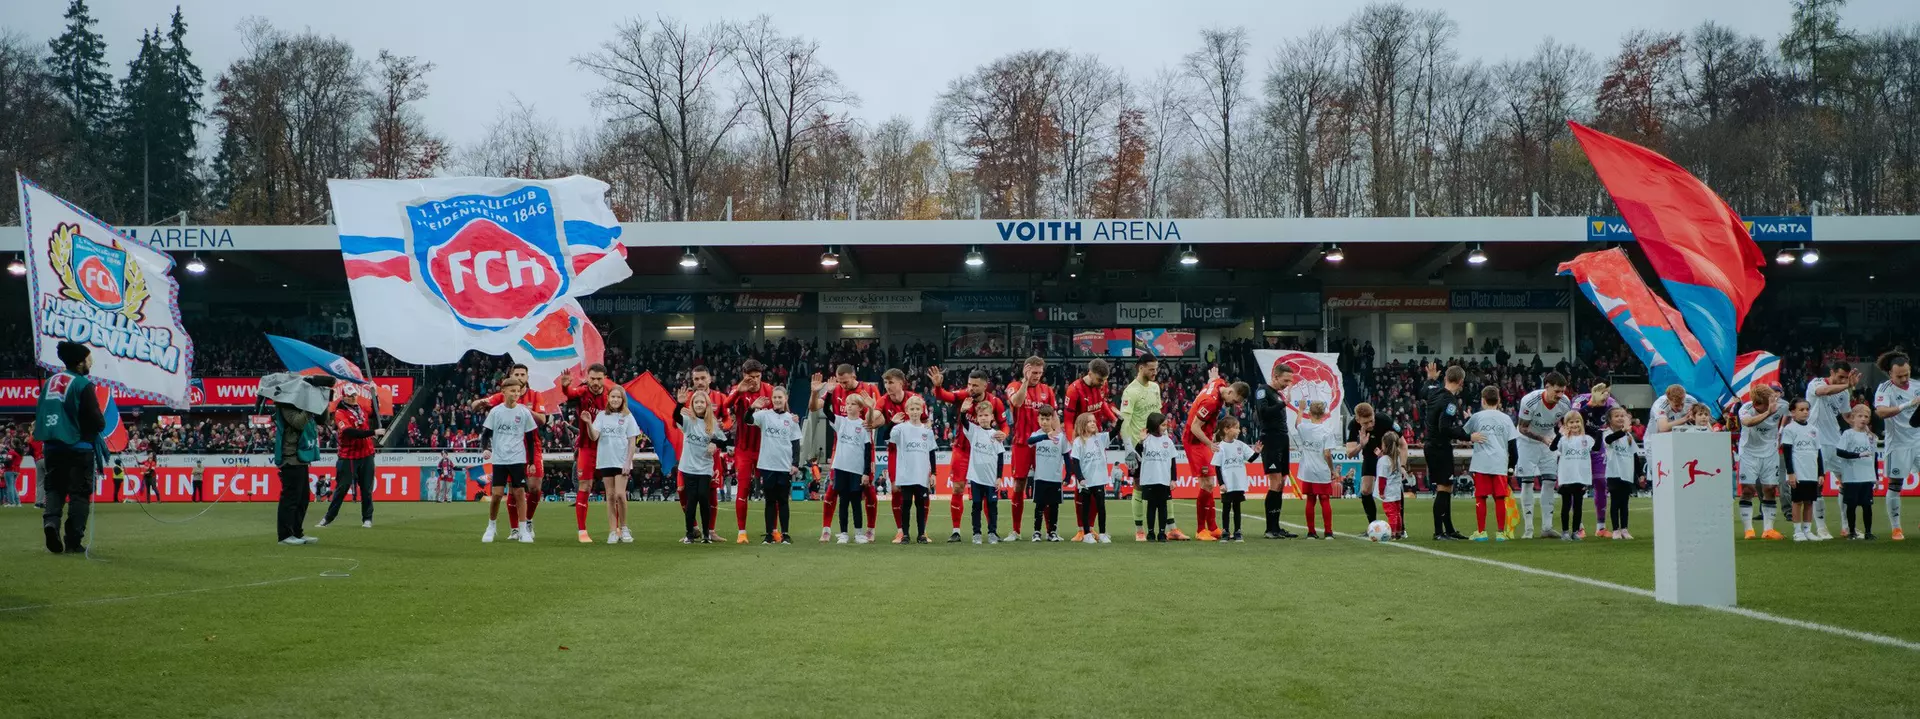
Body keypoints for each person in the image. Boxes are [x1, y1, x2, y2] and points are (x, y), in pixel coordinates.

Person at [35, 341, 106, 554]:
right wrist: (99, 426)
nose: (90, 363)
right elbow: (95, 419)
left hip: (52, 447)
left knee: (55, 489)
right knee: (79, 494)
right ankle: (73, 540)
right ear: (79, 362)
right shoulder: (82, 384)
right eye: (88, 359)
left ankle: (51, 524)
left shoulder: (49, 382)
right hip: (78, 445)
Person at [927, 366, 1007, 542]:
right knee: (958, 488)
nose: (971, 388)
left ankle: (991, 531)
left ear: (985, 386)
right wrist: (938, 386)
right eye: (969, 384)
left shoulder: (995, 402)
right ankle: (956, 531)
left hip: (985, 453)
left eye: (975, 386)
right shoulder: (964, 396)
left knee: (988, 490)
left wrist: (1005, 434)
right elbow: (943, 396)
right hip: (962, 450)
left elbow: (1004, 424)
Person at [471, 364, 549, 540]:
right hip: (504, 452)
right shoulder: (502, 397)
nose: (520, 377)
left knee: (535, 488)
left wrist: (524, 410)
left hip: (530, 447)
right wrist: (480, 403)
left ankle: (527, 521)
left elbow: (543, 420)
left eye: (523, 374)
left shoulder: (535, 396)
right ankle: (515, 529)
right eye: (517, 374)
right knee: (510, 492)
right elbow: (476, 407)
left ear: (527, 377)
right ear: (510, 377)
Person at [258, 372, 334, 546]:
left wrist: (323, 400)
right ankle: (284, 535)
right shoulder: (285, 405)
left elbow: (324, 420)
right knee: (290, 498)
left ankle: (297, 533)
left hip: (301, 457)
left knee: (303, 498)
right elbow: (298, 422)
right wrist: (311, 403)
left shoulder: (302, 404)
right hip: (289, 457)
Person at [816, 364, 880, 543]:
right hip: (841, 457)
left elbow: (877, 418)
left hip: (863, 456)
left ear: (854, 375)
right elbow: (818, 408)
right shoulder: (837, 400)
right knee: (834, 492)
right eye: (839, 382)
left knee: (866, 492)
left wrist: (873, 409)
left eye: (845, 381)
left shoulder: (870, 390)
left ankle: (867, 530)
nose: (842, 385)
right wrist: (821, 392)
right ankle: (830, 530)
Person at [1185, 369, 1249, 541]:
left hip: (1204, 440)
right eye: (1234, 400)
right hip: (1195, 441)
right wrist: (1210, 443)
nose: (1233, 404)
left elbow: (1213, 380)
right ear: (1230, 391)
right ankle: (1200, 530)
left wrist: (1212, 376)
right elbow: (1194, 427)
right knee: (1206, 484)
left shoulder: (1219, 383)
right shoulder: (1211, 402)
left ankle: (1212, 527)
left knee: (1211, 483)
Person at [1063, 359, 1119, 541]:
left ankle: (1091, 527)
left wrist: (1112, 419)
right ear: (1089, 373)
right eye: (1099, 379)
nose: (1102, 383)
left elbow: (1102, 404)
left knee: (1097, 484)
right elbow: (1069, 419)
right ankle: (1081, 528)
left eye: (1104, 380)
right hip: (1081, 441)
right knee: (1083, 486)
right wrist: (1074, 441)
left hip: (1096, 439)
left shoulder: (1100, 387)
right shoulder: (1074, 390)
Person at [724, 360, 778, 544]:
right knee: (743, 488)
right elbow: (724, 406)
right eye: (750, 377)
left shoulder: (770, 391)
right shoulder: (738, 390)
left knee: (771, 490)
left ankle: (774, 530)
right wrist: (738, 391)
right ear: (744, 376)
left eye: (757, 376)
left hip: (766, 448)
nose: (754, 380)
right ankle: (742, 532)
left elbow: (782, 411)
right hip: (744, 449)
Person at [560, 365, 615, 544]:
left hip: (608, 447)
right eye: (593, 379)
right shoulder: (583, 392)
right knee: (585, 487)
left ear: (605, 378)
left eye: (599, 379)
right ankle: (582, 531)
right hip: (587, 447)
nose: (596, 382)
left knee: (615, 491)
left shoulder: (612, 395)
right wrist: (565, 387)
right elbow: (570, 394)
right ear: (588, 378)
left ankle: (618, 529)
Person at [1005, 356, 1057, 543]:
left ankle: (1050, 530)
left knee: (1046, 484)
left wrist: (1057, 436)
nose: (1037, 376)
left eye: (1039, 373)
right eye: (1033, 373)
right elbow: (1017, 402)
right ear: (1026, 370)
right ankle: (1016, 531)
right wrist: (1025, 382)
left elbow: (1054, 416)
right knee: (1019, 485)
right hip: (1022, 443)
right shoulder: (1013, 386)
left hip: (1043, 444)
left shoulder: (1047, 391)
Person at [1515, 372, 1571, 539]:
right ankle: (1529, 529)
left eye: (1563, 391)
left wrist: (1561, 434)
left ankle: (1547, 527)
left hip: (1549, 440)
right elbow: (1522, 428)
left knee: (1549, 481)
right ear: (1547, 386)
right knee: (1527, 482)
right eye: (1557, 391)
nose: (1560, 395)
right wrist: (1542, 438)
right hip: (1527, 442)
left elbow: (1565, 422)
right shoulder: (1530, 401)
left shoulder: (1565, 403)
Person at [318, 386, 382, 529]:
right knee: (342, 488)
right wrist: (373, 432)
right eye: (350, 396)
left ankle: (367, 518)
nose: (354, 398)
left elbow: (374, 411)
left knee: (366, 489)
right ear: (344, 397)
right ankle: (328, 518)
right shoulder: (339, 413)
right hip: (348, 456)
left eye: (355, 395)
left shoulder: (361, 408)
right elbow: (349, 432)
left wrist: (375, 395)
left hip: (366, 453)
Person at [1421, 364, 1472, 540]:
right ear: (1460, 382)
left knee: (1448, 487)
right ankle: (1438, 532)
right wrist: (1468, 436)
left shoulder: (1434, 392)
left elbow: (1424, 391)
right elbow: (1445, 427)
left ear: (1445, 379)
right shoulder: (1449, 401)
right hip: (1439, 447)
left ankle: (1449, 530)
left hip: (1433, 445)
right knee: (1443, 488)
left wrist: (1430, 379)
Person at [1871, 351, 1917, 541]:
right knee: (1896, 485)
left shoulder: (1917, 385)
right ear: (1890, 373)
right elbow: (1881, 412)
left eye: (1907, 374)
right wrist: (1907, 405)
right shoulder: (1884, 389)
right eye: (1900, 376)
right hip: (1898, 444)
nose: (1905, 379)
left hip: (1919, 440)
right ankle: (1896, 528)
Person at [1806, 364, 1856, 538]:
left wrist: (1862, 424)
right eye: (1840, 376)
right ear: (1832, 372)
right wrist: (1847, 385)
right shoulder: (1816, 383)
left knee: (1847, 482)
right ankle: (1821, 527)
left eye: (1846, 378)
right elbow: (1823, 392)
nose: (1843, 380)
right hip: (1815, 442)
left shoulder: (1844, 392)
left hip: (1836, 441)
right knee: (1817, 484)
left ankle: (1846, 526)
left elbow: (1847, 416)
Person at [751, 386, 805, 544]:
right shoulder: (764, 415)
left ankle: (785, 534)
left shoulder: (791, 419)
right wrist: (752, 407)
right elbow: (748, 420)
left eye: (780, 397)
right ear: (771, 399)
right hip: (767, 465)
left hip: (784, 466)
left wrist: (795, 463)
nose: (777, 400)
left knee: (783, 501)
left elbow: (795, 443)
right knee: (769, 501)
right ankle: (769, 534)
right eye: (775, 397)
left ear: (786, 399)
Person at [1120, 355, 1165, 541]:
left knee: (1163, 485)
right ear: (1140, 368)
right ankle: (1139, 529)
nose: (1155, 373)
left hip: (1157, 443)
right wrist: (1128, 448)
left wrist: (1165, 438)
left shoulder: (1155, 388)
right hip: (1139, 446)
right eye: (1151, 369)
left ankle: (1169, 527)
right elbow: (1124, 421)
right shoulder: (1131, 391)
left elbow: (1160, 416)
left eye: (1156, 369)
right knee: (1138, 485)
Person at [587, 389, 641, 544]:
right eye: (613, 396)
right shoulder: (602, 416)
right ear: (608, 398)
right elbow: (594, 436)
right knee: (610, 496)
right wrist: (589, 423)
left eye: (618, 397)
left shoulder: (628, 417)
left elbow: (632, 442)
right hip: (606, 460)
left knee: (619, 494)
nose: (615, 399)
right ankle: (612, 531)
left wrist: (628, 462)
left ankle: (624, 528)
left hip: (621, 461)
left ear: (623, 399)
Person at [875, 368, 922, 544]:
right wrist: (878, 418)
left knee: (920, 489)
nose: (887, 386)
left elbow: (927, 422)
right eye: (885, 383)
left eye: (891, 382)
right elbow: (875, 418)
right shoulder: (883, 400)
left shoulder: (914, 399)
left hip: (915, 451)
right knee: (895, 489)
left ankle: (922, 531)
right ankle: (901, 530)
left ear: (901, 383)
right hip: (896, 450)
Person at [675, 388, 728, 544]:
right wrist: (679, 404)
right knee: (691, 500)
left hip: (705, 467)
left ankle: (706, 534)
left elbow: (723, 439)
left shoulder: (711, 422)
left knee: (704, 498)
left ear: (707, 405)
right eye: (696, 402)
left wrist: (714, 442)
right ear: (692, 404)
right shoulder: (688, 420)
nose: (699, 404)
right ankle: (689, 534)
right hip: (688, 467)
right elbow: (675, 417)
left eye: (702, 402)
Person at [685, 365, 731, 541]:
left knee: (711, 490)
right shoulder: (689, 398)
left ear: (710, 379)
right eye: (696, 379)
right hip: (689, 454)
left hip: (710, 454)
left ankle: (710, 531)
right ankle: (692, 529)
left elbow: (727, 420)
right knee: (684, 490)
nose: (699, 382)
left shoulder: (720, 398)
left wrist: (722, 427)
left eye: (703, 378)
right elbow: (677, 422)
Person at [1466, 386, 1517, 542]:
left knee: (1481, 498)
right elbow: (1513, 447)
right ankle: (1501, 533)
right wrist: (1510, 467)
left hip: (1481, 463)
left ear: (1482, 400)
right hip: (1500, 463)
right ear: (1499, 401)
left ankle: (1481, 532)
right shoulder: (1506, 418)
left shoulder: (1477, 417)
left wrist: (1469, 418)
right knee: (1500, 498)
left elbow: (1465, 433)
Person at [1736, 384, 1786, 540]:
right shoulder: (1746, 408)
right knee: (1748, 490)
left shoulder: (1781, 406)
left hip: (1770, 453)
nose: (1773, 404)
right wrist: (1768, 413)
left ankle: (1768, 530)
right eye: (1768, 402)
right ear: (1757, 404)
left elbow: (1799, 410)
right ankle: (1749, 530)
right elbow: (1748, 422)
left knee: (1770, 489)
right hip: (1749, 453)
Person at [1572, 383, 1620, 537]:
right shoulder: (1581, 400)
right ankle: (1578, 527)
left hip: (1598, 446)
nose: (1605, 395)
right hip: (1579, 446)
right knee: (1577, 485)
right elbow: (1574, 419)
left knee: (1601, 483)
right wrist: (1591, 404)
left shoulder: (1611, 403)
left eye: (1608, 392)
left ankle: (1601, 527)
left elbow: (1619, 419)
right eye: (1603, 392)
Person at [1255, 364, 1297, 539]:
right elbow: (1262, 413)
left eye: (1290, 381)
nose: (1288, 384)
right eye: (1285, 380)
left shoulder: (1278, 394)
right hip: (1270, 439)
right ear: (1275, 376)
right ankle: (1269, 529)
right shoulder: (1263, 391)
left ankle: (1277, 527)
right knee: (1275, 482)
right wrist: (1284, 404)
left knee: (1281, 483)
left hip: (1282, 439)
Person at [889, 395, 938, 544]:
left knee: (921, 504)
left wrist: (934, 473)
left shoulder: (927, 431)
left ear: (922, 410)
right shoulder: (900, 428)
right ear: (907, 410)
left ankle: (921, 534)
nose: (915, 411)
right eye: (912, 409)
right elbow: (890, 440)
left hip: (921, 474)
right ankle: (905, 535)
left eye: (918, 409)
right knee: (906, 503)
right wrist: (892, 424)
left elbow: (931, 452)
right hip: (906, 474)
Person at [962, 402, 1010, 544]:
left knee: (992, 506)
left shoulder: (996, 435)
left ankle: (992, 533)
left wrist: (999, 477)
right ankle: (976, 533)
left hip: (991, 479)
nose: (983, 418)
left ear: (992, 417)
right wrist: (963, 411)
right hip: (976, 478)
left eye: (986, 415)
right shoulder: (974, 431)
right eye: (980, 415)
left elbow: (1000, 458)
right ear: (977, 418)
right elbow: (964, 421)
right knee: (976, 505)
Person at [1780, 400, 1825, 542]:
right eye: (1801, 409)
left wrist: (1821, 473)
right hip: (1798, 472)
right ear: (1793, 412)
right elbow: (1787, 452)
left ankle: (1807, 530)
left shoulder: (1814, 430)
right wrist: (1791, 473)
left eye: (1807, 409)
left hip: (1811, 471)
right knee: (1797, 501)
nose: (1805, 412)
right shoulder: (1789, 429)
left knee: (1809, 501)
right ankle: (1797, 531)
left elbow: (1818, 453)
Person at [1294, 400, 1340, 539]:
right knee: (1325, 499)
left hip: (1307, 470)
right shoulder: (1327, 431)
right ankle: (1328, 532)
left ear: (1310, 413)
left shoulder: (1304, 428)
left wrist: (1300, 410)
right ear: (1324, 414)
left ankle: (1311, 532)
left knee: (1310, 500)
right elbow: (1327, 454)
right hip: (1321, 470)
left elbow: (1297, 424)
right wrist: (1332, 470)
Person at [1069, 412, 1115, 544]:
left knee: (1101, 506)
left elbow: (1114, 432)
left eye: (1094, 421)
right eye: (1090, 421)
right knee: (1086, 507)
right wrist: (1080, 479)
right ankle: (1087, 533)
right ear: (1083, 424)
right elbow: (1076, 463)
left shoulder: (1099, 438)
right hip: (1085, 481)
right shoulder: (1078, 442)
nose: (1093, 423)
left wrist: (1120, 420)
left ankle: (1102, 533)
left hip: (1099, 479)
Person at [1549, 412, 1595, 541]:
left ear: (1581, 423)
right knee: (1566, 505)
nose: (1574, 424)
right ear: (1566, 425)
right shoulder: (1563, 439)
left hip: (1581, 477)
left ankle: (1575, 531)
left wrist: (1599, 432)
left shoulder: (1587, 439)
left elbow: (1596, 448)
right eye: (1571, 422)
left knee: (1578, 506)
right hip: (1567, 477)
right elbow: (1552, 448)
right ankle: (1565, 532)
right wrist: (1559, 434)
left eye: (1577, 421)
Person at [1834, 404, 1878, 540]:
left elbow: (1873, 457)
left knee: (1867, 505)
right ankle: (1851, 531)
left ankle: (1868, 532)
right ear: (1853, 418)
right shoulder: (1848, 434)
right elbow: (1840, 452)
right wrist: (1858, 455)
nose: (1863, 419)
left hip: (1867, 475)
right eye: (1860, 416)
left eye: (1866, 416)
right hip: (1851, 476)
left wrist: (1875, 476)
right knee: (1851, 505)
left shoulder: (1871, 437)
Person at [1026, 405, 1068, 542]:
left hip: (1055, 478)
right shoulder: (1036, 435)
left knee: (1054, 506)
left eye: (1047, 419)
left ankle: (1052, 532)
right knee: (1040, 505)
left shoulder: (1061, 437)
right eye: (1042, 419)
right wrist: (1045, 436)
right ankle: (1037, 531)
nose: (1044, 422)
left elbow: (1066, 456)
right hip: (1040, 477)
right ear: (1038, 419)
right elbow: (1029, 442)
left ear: (1052, 420)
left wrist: (1068, 475)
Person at [1134, 412, 1178, 542]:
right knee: (1151, 506)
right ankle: (1151, 533)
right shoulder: (1146, 440)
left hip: (1163, 479)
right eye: (1163, 425)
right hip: (1149, 479)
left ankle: (1162, 533)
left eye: (1165, 425)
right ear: (1154, 425)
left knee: (1163, 506)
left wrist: (1173, 479)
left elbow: (1173, 461)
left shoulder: (1168, 441)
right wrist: (1141, 440)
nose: (1165, 427)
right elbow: (1137, 453)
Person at [1212, 416, 1256, 542]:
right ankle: (1225, 531)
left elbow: (1251, 459)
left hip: (1238, 483)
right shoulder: (1221, 447)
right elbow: (1217, 466)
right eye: (1236, 428)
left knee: (1237, 507)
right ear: (1226, 430)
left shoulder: (1240, 445)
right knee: (1226, 507)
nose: (1238, 430)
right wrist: (1221, 483)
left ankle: (1238, 531)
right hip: (1227, 484)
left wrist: (1257, 452)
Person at [1346, 402, 1388, 527]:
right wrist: (1362, 445)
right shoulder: (1353, 426)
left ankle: (1401, 529)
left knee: (1394, 491)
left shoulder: (1384, 420)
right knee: (1365, 490)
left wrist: (1401, 464)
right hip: (1370, 455)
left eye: (1371, 421)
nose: (1370, 425)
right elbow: (1349, 453)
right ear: (1358, 419)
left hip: (1388, 456)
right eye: (1365, 423)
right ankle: (1373, 526)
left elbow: (1402, 443)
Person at [1601, 406, 1639, 540]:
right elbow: (1608, 440)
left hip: (1626, 473)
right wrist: (1623, 431)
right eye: (1616, 416)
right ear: (1610, 420)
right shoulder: (1607, 432)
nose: (1620, 418)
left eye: (1622, 416)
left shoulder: (1629, 436)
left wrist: (1639, 474)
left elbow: (1634, 454)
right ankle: (1615, 529)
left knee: (1625, 503)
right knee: (1615, 502)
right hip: (1614, 473)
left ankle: (1624, 529)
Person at [1375, 432, 1411, 540]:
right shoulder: (1397, 458)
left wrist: (1381, 492)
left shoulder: (1383, 461)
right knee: (1397, 512)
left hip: (1388, 492)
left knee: (1391, 514)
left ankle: (1393, 533)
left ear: (1385, 445)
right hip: (1396, 491)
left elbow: (1382, 478)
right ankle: (1399, 531)